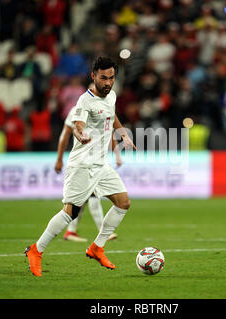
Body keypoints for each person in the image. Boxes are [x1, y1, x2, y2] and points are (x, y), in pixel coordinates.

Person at [25, 57, 136, 276]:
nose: (108, 82)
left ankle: (97, 247)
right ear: (93, 76)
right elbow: (77, 126)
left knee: (123, 203)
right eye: (103, 78)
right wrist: (81, 134)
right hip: (83, 165)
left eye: (111, 78)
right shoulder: (84, 102)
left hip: (100, 164)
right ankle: (36, 250)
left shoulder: (111, 96)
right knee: (70, 213)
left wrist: (122, 132)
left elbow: (111, 115)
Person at [54, 102, 122, 242]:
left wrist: (117, 155)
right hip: (84, 162)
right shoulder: (77, 111)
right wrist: (59, 159)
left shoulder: (105, 109)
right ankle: (104, 232)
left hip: (98, 161)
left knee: (82, 199)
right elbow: (66, 134)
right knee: (92, 196)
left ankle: (70, 232)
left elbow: (110, 133)